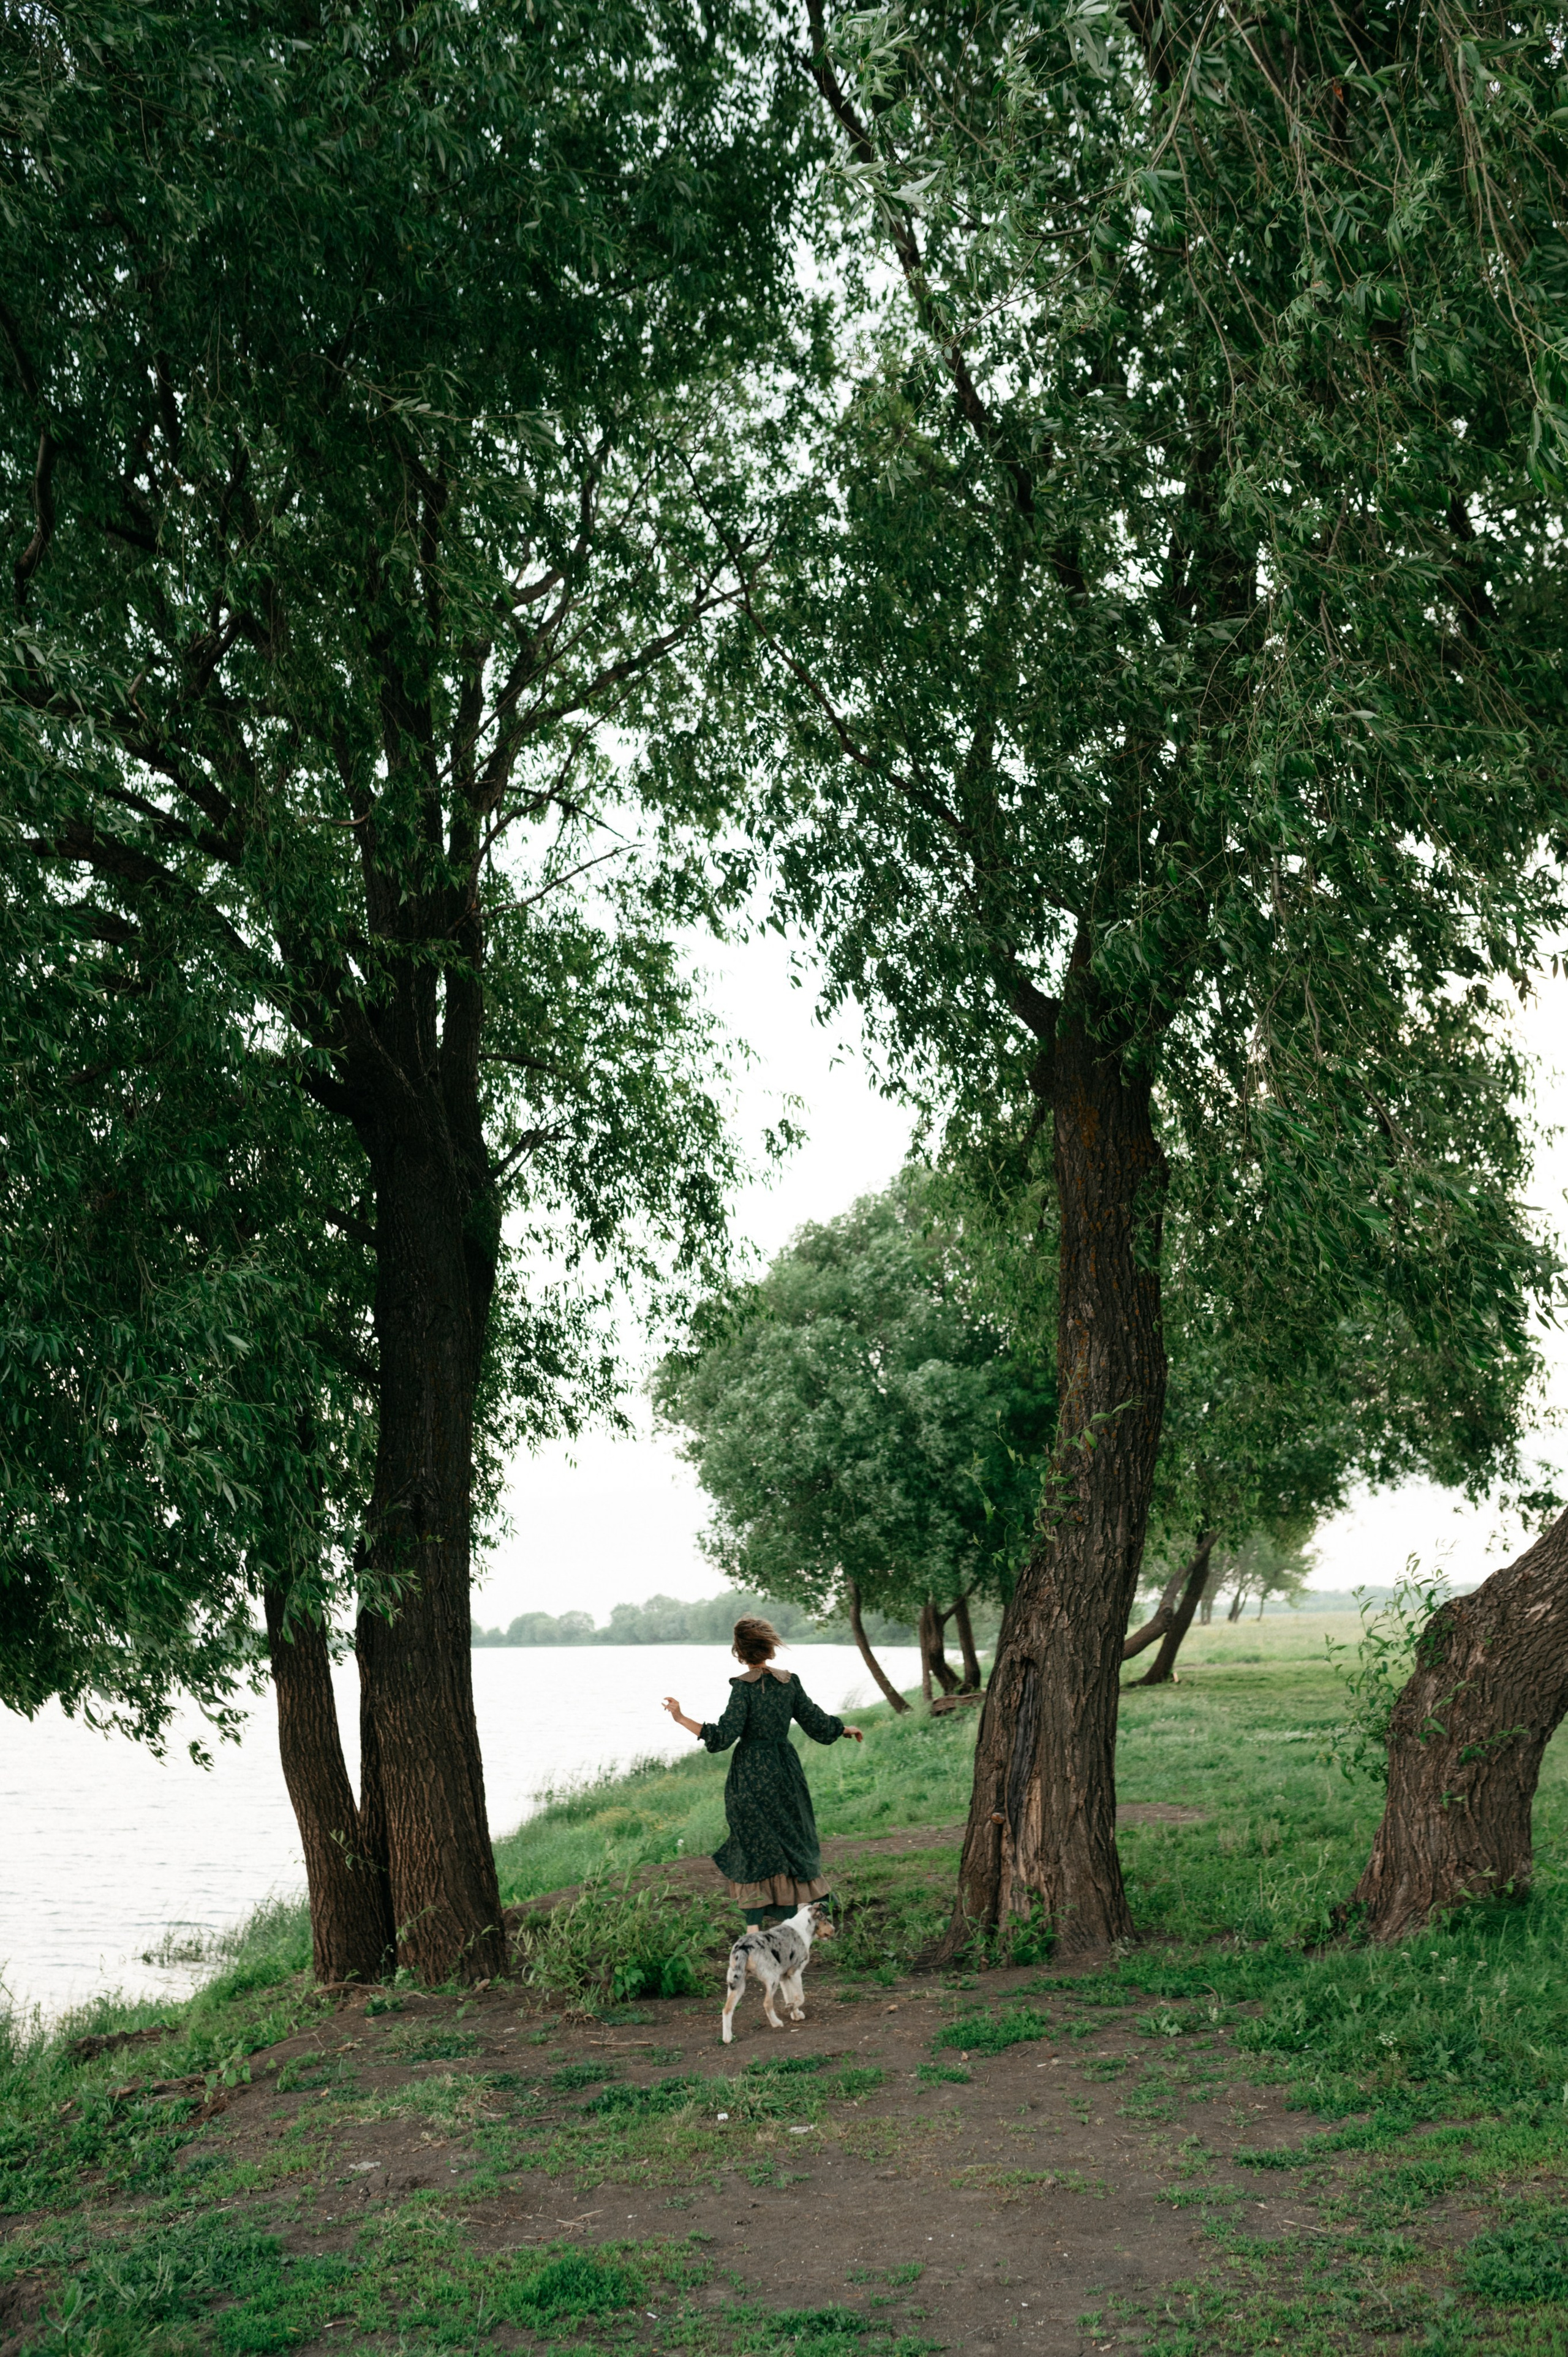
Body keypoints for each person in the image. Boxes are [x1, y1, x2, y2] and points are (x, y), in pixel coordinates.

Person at [663, 1615, 864, 1928]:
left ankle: (756, 1921)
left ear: (739, 1652)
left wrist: (680, 1718)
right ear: (770, 1648)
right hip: (785, 1768)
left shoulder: (743, 1689)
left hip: (751, 1773)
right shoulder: (790, 1683)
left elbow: (723, 1737)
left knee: (754, 1841)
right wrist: (846, 1729)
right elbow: (817, 1723)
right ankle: (807, 1910)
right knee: (793, 1835)